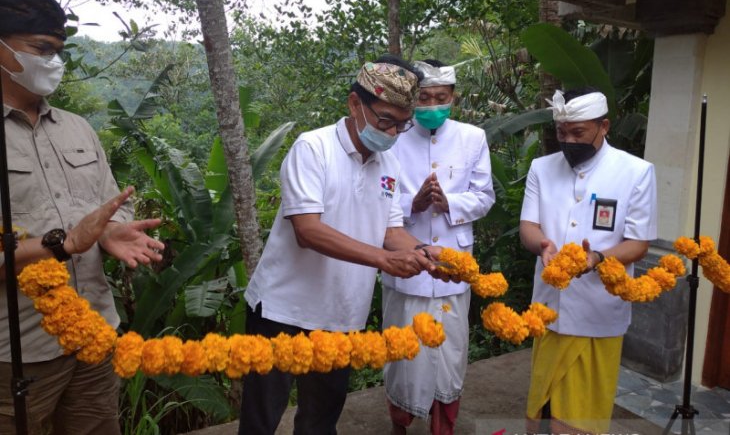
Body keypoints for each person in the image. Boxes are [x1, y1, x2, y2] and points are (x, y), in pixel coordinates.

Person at [239, 55, 446, 435]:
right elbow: (308, 230)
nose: (393, 132)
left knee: (320, 422)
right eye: (385, 120)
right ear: (355, 104)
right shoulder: (312, 149)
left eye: (403, 125)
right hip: (282, 312)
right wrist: (384, 260)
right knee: (260, 421)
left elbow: (390, 230)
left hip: (342, 315)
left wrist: (424, 252)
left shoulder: (389, 165)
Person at [0, 0, 165, 434]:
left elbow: (111, 203)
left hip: (94, 334)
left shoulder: (77, 128)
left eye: (59, 52)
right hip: (16, 352)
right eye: (42, 49)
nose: (54, 62)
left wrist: (110, 230)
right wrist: (63, 244)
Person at [519, 88, 657, 434]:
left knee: (584, 413)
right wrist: (543, 246)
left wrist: (596, 257)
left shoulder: (636, 172)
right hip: (549, 307)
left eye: (578, 133)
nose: (568, 141)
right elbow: (528, 228)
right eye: (562, 133)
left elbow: (638, 243)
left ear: (604, 126)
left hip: (600, 310)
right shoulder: (542, 168)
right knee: (542, 406)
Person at [383, 59, 495, 435]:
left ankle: (442, 427)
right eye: (425, 98)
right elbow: (376, 201)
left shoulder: (472, 137)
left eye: (441, 97)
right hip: (405, 263)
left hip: (453, 266)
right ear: (413, 99)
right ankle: (400, 424)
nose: (432, 105)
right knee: (404, 353)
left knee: (449, 353)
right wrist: (411, 204)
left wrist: (451, 203)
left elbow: (484, 196)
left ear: (454, 97)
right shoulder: (393, 138)